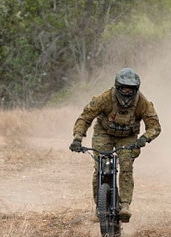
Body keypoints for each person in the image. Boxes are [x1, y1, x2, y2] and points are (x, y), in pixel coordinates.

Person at [69, 68, 161, 222]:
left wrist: (144, 138)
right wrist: (77, 138)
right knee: (100, 167)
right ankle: (100, 207)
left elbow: (155, 126)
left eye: (130, 89)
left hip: (128, 137)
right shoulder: (104, 98)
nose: (127, 92)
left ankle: (125, 205)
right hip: (103, 133)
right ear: (117, 87)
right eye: (124, 88)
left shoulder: (142, 103)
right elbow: (85, 117)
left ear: (136, 89)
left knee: (126, 165)